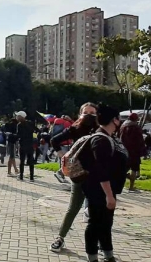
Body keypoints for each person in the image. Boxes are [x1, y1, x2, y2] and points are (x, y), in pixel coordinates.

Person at [81, 104, 129, 262]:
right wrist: (109, 196)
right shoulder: (100, 139)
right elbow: (101, 170)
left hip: (107, 189)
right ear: (114, 120)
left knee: (106, 223)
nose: (120, 122)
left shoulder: (110, 137)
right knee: (95, 223)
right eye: (119, 119)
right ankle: (92, 257)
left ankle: (108, 255)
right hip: (98, 190)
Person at [49, 102, 98, 253]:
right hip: (79, 175)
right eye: (86, 112)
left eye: (92, 112)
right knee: (73, 208)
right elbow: (54, 140)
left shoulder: (100, 130)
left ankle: (98, 243)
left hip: (97, 175)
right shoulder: (74, 128)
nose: (89, 115)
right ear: (80, 114)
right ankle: (60, 238)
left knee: (97, 211)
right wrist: (63, 156)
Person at [119, 113, 145, 192]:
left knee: (123, 168)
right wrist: (142, 151)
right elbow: (140, 140)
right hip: (134, 151)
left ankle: (122, 180)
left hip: (123, 149)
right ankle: (131, 186)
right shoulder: (136, 127)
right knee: (134, 169)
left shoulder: (123, 126)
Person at [15, 111, 37, 182]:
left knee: (22, 161)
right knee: (31, 161)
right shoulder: (30, 123)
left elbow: (19, 135)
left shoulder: (19, 125)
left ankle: (21, 176)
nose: (17, 117)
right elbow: (36, 130)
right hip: (30, 144)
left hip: (23, 144)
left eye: (18, 116)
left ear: (22, 117)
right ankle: (31, 177)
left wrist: (12, 136)